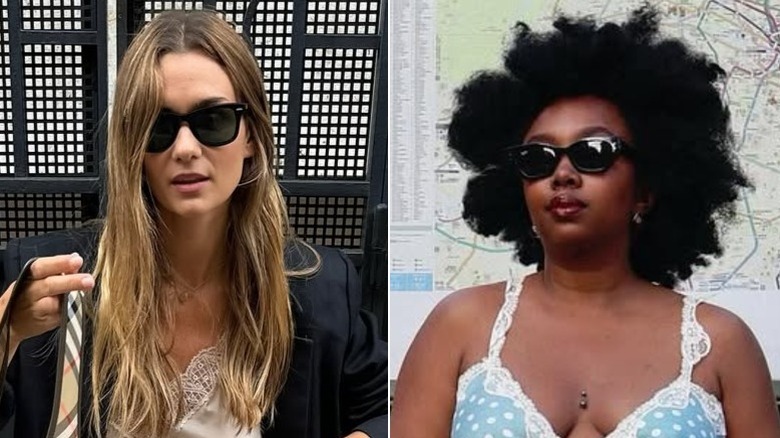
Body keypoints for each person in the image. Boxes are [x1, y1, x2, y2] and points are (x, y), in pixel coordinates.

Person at [392, 6, 780, 437]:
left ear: (646, 188)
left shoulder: (722, 343)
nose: (562, 174)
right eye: (537, 158)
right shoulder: (459, 326)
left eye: (592, 153)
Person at [0, 9, 387, 438]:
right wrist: (5, 335)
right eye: (158, 127)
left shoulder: (318, 288)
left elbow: (390, 408)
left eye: (213, 121)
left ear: (251, 135)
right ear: (133, 145)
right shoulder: (53, 283)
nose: (185, 148)